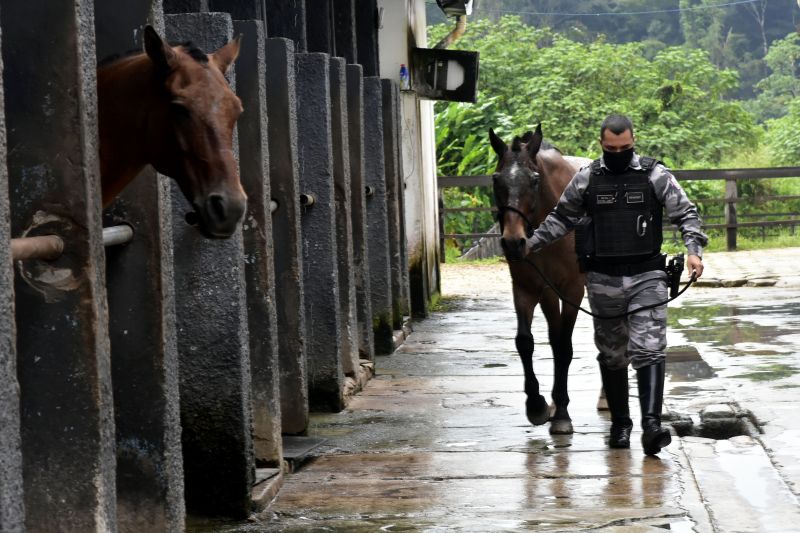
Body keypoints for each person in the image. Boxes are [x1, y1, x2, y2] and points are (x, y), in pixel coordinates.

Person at [525, 114, 707, 455]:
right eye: (612, 148)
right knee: (612, 354)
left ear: (634, 142)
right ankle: (621, 425)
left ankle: (651, 425)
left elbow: (686, 214)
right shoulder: (587, 179)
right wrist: (530, 244)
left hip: (647, 276)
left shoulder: (654, 174)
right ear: (602, 145)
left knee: (649, 348)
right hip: (603, 278)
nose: (619, 153)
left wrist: (693, 251)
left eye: (625, 148)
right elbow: (561, 219)